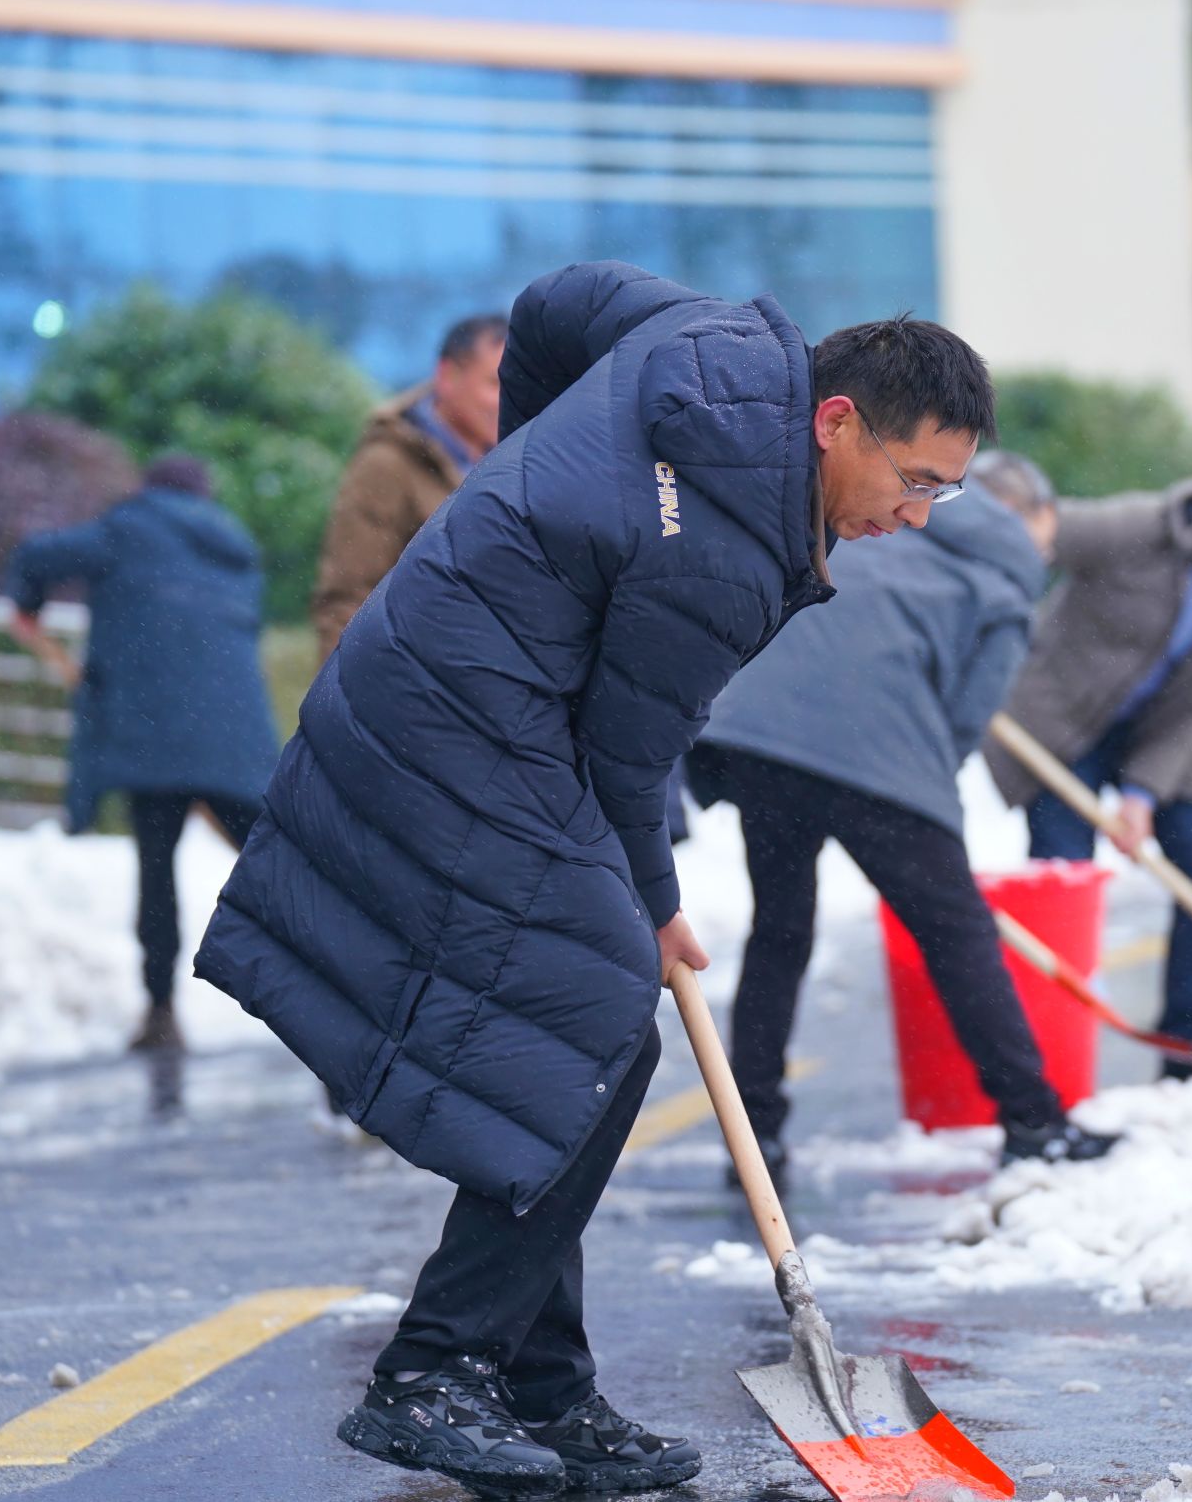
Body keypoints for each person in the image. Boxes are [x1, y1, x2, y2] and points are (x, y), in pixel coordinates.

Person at [195, 262, 994, 1499]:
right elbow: (630, 760)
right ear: (836, 421)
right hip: (460, 720)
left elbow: (553, 305)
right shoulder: (724, 560)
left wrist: (520, 478)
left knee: (551, 1035)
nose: (920, 512)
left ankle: (542, 1382)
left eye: (945, 488)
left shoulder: (710, 343)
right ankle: (431, 1368)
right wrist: (657, 906)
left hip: (443, 674)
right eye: (914, 480)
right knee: (596, 1023)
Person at [689, 449, 1116, 1179]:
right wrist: (921, 779)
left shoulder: (882, 524)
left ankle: (754, 1131)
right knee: (958, 933)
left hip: (759, 738)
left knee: (781, 929)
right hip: (877, 752)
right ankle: (1034, 1119)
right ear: (1022, 515)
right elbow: (971, 712)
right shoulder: (1008, 571)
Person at [985, 469, 1192, 1078]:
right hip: (1063, 721)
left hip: (1163, 734)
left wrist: (1143, 794)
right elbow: (1039, 533)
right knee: (1066, 876)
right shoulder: (1147, 529)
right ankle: (1052, 1063)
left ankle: (1187, 1048)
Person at [9, 454, 280, 1055]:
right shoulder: (235, 549)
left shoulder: (127, 528)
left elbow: (36, 558)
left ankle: (160, 1013)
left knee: (157, 875)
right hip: (234, 739)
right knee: (280, 868)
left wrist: (26, 606)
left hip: (153, 738)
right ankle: (345, 983)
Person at [311, 313, 508, 663]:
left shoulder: (516, 462)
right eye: (493, 383)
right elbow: (346, 597)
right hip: (413, 691)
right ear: (448, 376)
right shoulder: (386, 465)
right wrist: (344, 704)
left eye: (514, 383)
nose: (504, 399)